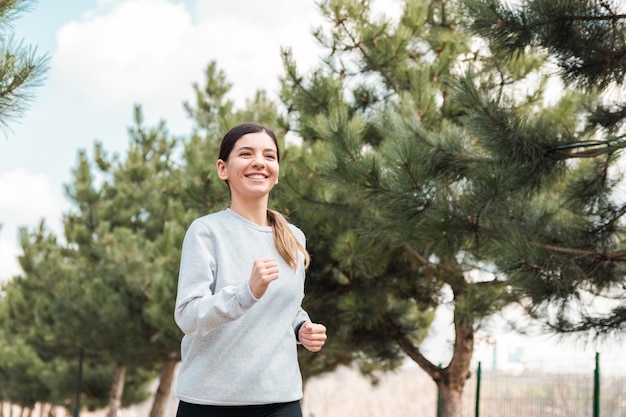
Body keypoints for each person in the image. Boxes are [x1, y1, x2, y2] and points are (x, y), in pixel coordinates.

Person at [174, 122, 327, 417]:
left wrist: (301, 328)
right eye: (246, 153)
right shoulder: (206, 231)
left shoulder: (294, 237)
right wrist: (246, 293)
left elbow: (289, 307)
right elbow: (188, 316)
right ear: (223, 169)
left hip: (281, 400)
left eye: (269, 156)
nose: (259, 162)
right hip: (211, 403)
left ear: (277, 171)